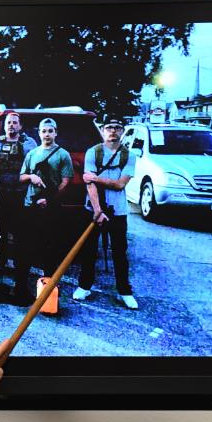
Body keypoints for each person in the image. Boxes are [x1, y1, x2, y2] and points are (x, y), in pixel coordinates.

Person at [74, 115, 138, 310]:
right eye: (109, 127)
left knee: (120, 252)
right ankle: (84, 286)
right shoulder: (93, 152)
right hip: (94, 209)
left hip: (118, 210)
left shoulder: (129, 155)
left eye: (117, 127)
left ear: (122, 131)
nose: (113, 131)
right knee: (89, 251)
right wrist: (97, 210)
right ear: (102, 130)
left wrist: (95, 178)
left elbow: (120, 184)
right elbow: (89, 185)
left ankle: (124, 291)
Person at [13, 117, 74, 305]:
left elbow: (66, 181)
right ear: (39, 133)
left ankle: (48, 294)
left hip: (51, 208)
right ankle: (21, 289)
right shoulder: (32, 154)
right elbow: (21, 177)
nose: (47, 134)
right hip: (30, 206)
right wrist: (31, 177)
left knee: (50, 250)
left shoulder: (63, 155)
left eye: (50, 131)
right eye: (43, 131)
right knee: (25, 249)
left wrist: (50, 199)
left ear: (56, 132)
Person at [0, 112, 37, 274]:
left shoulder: (29, 143)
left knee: (20, 231)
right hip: (1, 194)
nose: (12, 125)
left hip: (21, 194)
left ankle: (19, 263)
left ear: (20, 126)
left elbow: (36, 167)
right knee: (0, 230)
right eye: (9, 122)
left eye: (15, 123)